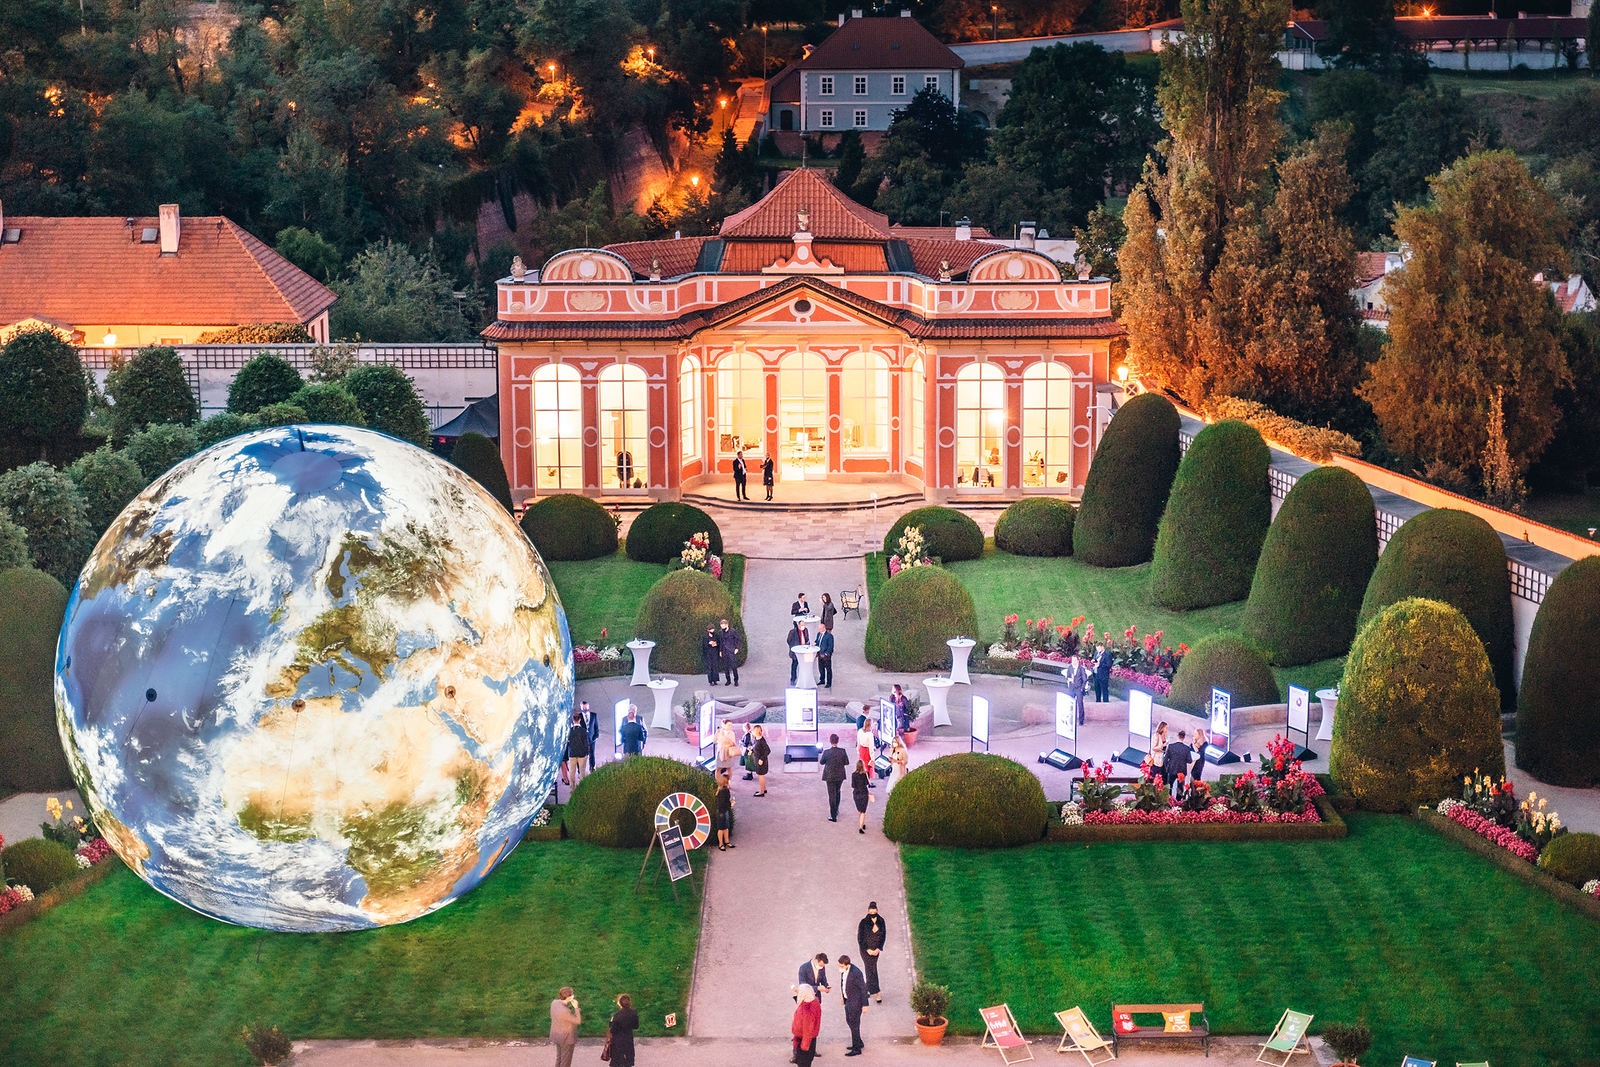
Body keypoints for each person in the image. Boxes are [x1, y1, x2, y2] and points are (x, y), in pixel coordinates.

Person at [838, 955, 869, 1056]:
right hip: (848, 1000)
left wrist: (864, 1005)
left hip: (856, 1002)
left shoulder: (856, 973)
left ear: (847, 965)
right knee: (850, 1021)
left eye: (841, 966)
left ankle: (856, 1048)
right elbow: (843, 984)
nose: (840, 968)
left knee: (854, 1024)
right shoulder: (844, 971)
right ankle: (858, 1042)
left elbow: (863, 989)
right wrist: (843, 997)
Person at [857, 903, 887, 1003]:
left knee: (870, 969)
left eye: (874, 911)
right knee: (871, 969)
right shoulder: (863, 922)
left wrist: (879, 948)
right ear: (868, 911)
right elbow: (860, 938)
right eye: (871, 911)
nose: (873, 913)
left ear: (877, 910)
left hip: (876, 949)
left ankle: (867, 988)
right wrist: (867, 949)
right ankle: (877, 992)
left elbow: (883, 936)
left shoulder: (881, 921)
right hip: (865, 950)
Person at [820, 734, 850, 821]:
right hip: (840, 775)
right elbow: (847, 762)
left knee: (831, 795)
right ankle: (836, 809)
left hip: (829, 776)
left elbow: (822, 762)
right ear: (838, 741)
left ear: (830, 741)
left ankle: (833, 816)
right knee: (838, 791)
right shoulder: (842, 751)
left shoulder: (826, 752)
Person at [550, 986, 581, 1067]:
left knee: (559, 1058)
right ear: (569, 997)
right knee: (565, 1062)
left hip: (557, 1036)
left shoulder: (554, 1002)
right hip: (566, 1038)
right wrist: (576, 1008)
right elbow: (578, 1021)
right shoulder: (565, 1011)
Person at [792, 983, 821, 1067]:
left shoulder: (805, 1010)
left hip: (804, 1041)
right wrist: (795, 993)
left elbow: (807, 1031)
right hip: (811, 1040)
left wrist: (804, 1048)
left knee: (803, 1063)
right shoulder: (815, 1002)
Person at [607, 993, 638, 1067]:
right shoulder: (634, 1013)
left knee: (617, 1062)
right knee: (628, 1061)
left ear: (619, 1003)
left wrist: (611, 1023)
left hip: (617, 1041)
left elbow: (613, 1030)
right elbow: (636, 1026)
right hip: (628, 1039)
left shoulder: (617, 1015)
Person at [1164, 730, 1192, 798]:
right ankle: (1178, 801)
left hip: (1172, 768)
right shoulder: (1187, 748)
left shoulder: (1171, 746)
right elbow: (1189, 761)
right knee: (1179, 788)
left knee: (1169, 786)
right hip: (1181, 771)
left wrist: (1167, 767)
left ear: (1177, 736)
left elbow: (1165, 759)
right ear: (1184, 737)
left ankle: (1169, 799)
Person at [564, 712, 589, 790]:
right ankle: (582, 787)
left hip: (572, 753)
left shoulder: (570, 731)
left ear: (573, 720)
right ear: (580, 720)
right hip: (581, 754)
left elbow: (567, 743)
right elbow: (586, 743)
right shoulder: (583, 731)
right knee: (582, 770)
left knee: (572, 771)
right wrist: (586, 753)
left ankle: (572, 787)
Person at [1064, 655, 1090, 726]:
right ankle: (1071, 719)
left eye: (1075, 660)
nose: (1074, 662)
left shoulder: (1081, 669)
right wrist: (1069, 679)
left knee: (1080, 704)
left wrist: (1082, 688)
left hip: (1079, 688)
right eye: (1073, 660)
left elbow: (1084, 679)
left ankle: (1081, 721)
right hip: (1072, 688)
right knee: (1071, 704)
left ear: (1078, 661)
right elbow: (1067, 676)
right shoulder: (1070, 667)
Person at [715, 771, 735, 851]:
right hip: (722, 811)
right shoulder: (724, 791)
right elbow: (723, 802)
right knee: (721, 828)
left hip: (723, 811)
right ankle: (721, 844)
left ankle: (726, 842)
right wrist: (730, 804)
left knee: (725, 827)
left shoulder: (721, 789)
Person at [787, 618, 811, 686]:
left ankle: (804, 678)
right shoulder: (792, 632)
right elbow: (788, 641)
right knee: (794, 665)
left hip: (804, 650)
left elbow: (807, 639)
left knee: (804, 666)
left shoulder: (805, 630)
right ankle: (793, 679)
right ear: (798, 625)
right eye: (802, 625)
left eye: (804, 625)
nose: (803, 626)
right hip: (796, 652)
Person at [718, 618, 741, 686]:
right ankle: (728, 680)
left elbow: (738, 639)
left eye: (723, 626)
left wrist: (736, 648)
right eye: (721, 626)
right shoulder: (721, 632)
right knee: (726, 667)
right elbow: (721, 642)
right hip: (724, 651)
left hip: (731, 650)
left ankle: (736, 680)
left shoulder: (733, 631)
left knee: (733, 666)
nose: (722, 627)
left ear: (727, 625)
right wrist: (720, 651)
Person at [852, 759, 872, 833]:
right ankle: (861, 826)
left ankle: (862, 823)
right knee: (863, 810)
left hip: (856, 793)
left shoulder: (854, 774)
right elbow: (867, 783)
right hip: (864, 793)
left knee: (859, 809)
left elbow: (853, 785)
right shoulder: (866, 773)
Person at [580, 700, 600, 772]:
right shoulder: (579, 716)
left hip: (592, 739)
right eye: (583, 708)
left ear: (588, 707)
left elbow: (596, 727)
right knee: (582, 756)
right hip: (583, 740)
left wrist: (596, 736)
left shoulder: (594, 715)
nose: (585, 709)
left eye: (586, 707)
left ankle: (592, 768)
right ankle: (581, 770)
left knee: (592, 754)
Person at [752, 725, 771, 795]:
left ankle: (761, 791)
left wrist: (762, 759)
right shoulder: (756, 739)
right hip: (758, 760)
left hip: (761, 761)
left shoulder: (761, 741)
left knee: (761, 776)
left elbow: (768, 750)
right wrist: (752, 751)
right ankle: (764, 788)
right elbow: (755, 747)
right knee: (761, 775)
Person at [856, 717, 874, 787]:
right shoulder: (870, 734)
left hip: (861, 749)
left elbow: (858, 742)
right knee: (867, 767)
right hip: (867, 751)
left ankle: (863, 781)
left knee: (862, 766)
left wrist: (858, 751)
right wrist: (872, 757)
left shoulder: (860, 731)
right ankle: (868, 782)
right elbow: (871, 746)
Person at [815, 625, 835, 689]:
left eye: (820, 629)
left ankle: (829, 683)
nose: (819, 630)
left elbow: (830, 646)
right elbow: (817, 641)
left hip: (826, 656)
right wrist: (815, 644)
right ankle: (822, 680)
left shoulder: (829, 636)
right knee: (821, 668)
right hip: (820, 654)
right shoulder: (819, 634)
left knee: (828, 669)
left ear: (824, 628)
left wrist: (827, 653)